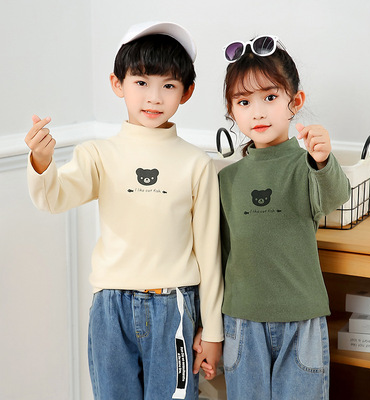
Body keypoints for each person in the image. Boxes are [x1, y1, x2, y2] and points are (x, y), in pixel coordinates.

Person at [24, 21, 223, 400]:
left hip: (174, 307)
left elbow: (210, 253)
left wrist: (212, 331)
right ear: (118, 84)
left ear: (187, 91)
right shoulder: (98, 155)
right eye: (141, 82)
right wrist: (41, 161)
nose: (154, 97)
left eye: (169, 85)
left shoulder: (196, 164)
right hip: (110, 309)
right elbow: (53, 198)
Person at [218, 35, 351, 399]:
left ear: (296, 102)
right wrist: (208, 327)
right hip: (241, 323)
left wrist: (323, 161)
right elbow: (220, 257)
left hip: (301, 321)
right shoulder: (227, 179)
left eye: (270, 97)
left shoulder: (307, 165)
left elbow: (335, 197)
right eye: (244, 102)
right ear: (232, 111)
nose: (258, 112)